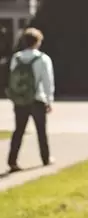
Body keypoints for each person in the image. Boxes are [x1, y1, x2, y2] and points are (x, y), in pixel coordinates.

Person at [5, 27, 54, 174]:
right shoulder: (43, 59)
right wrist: (49, 100)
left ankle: (12, 161)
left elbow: (13, 77)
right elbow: (47, 81)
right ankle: (45, 158)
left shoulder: (17, 57)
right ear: (38, 42)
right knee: (41, 131)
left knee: (19, 130)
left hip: (20, 99)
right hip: (37, 99)